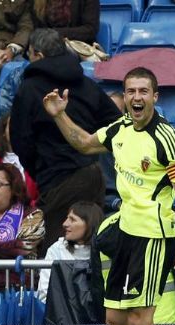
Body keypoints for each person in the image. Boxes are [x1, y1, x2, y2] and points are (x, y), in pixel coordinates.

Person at [43, 66, 175, 325]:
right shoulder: (119, 129)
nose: (137, 97)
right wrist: (60, 115)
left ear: (155, 97)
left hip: (154, 236)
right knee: (115, 319)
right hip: (127, 233)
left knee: (141, 319)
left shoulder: (167, 138)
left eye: (144, 91)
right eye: (131, 91)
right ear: (125, 96)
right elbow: (84, 143)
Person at [10, 28, 121, 252]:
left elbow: (21, 140)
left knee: (55, 251)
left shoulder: (30, 88)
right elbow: (117, 123)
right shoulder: (87, 84)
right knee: (88, 249)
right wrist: (92, 145)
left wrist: (40, 170)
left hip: (58, 179)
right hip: (93, 175)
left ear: (38, 55)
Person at [0, 163, 44, 289]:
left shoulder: (32, 215)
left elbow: (23, 247)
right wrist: (5, 253)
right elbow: (13, 248)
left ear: (14, 187)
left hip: (16, 289)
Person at [37, 201, 103, 302]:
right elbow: (44, 294)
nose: (65, 224)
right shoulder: (56, 250)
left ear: (89, 224)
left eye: (72, 220)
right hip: (62, 316)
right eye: (67, 218)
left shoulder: (105, 251)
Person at [0, 113, 39, 208]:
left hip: (29, 213)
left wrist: (26, 208)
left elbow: (43, 193)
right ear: (4, 132)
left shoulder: (37, 157)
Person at [31, 0, 99, 44]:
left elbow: (90, 29)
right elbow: (36, 28)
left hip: (78, 45)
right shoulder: (38, 2)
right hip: (47, 45)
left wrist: (55, 33)